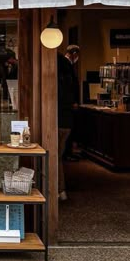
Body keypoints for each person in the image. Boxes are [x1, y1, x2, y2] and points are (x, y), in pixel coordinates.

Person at [57, 44, 80, 201]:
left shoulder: (58, 82)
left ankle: (59, 190)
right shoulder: (70, 73)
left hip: (59, 121)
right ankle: (60, 190)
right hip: (67, 121)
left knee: (55, 156)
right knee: (58, 155)